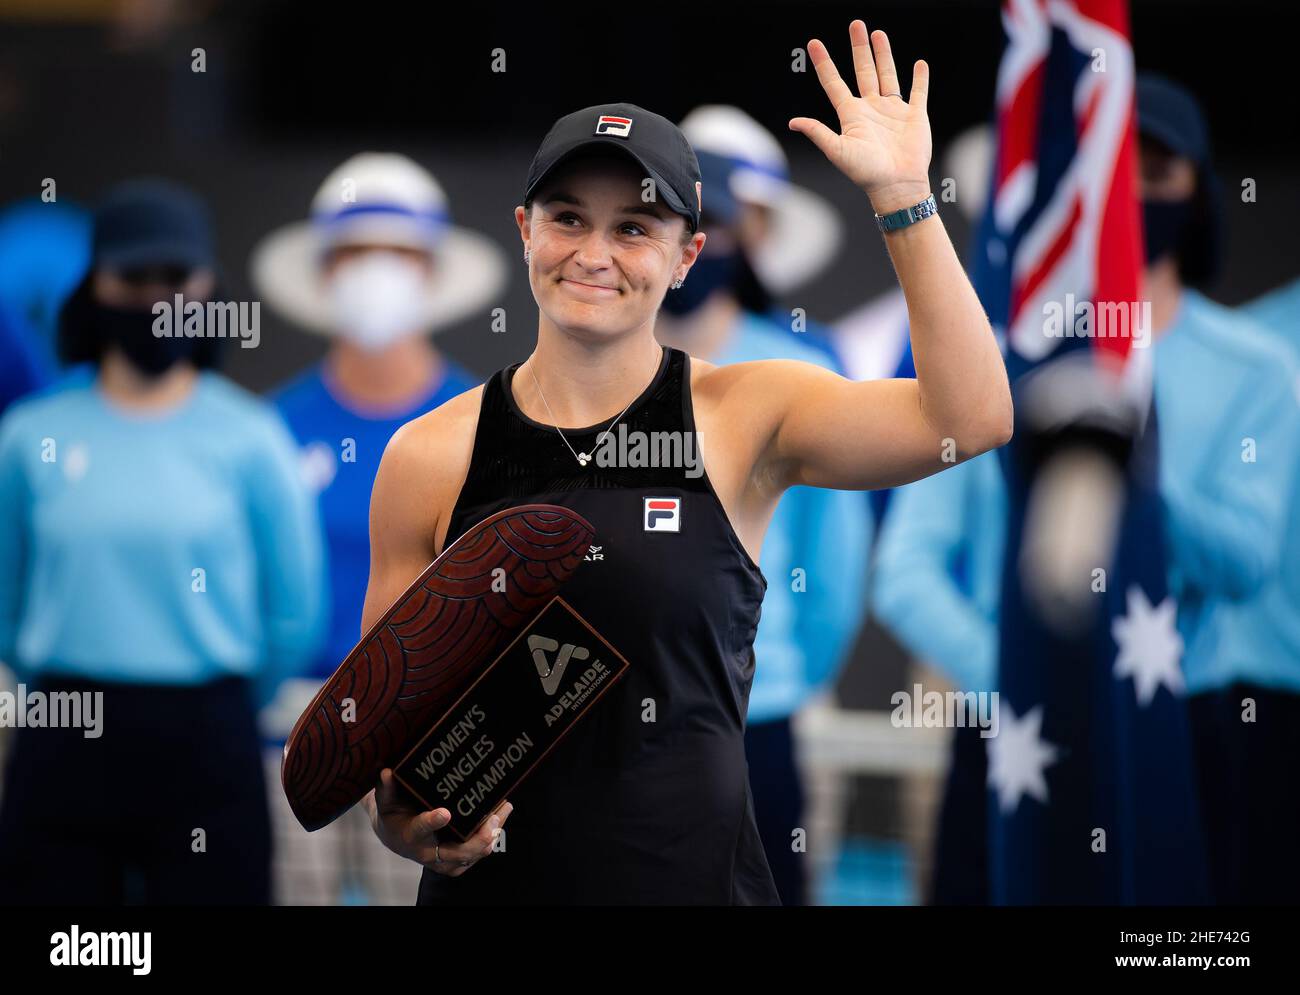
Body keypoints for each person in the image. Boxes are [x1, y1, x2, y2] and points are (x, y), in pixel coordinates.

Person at [363, 20, 1012, 905]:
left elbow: (969, 418)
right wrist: (402, 819)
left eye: (634, 227)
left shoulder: (747, 413)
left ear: (687, 256)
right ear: (523, 231)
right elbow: (387, 730)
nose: (594, 254)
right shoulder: (427, 454)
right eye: (567, 219)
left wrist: (904, 196)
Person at [871, 73, 1300, 905]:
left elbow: (1246, 562)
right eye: (1106, 163)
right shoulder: (985, 367)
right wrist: (1011, 679)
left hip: (1175, 723)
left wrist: (1128, 467)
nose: (1128, 189)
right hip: (1004, 726)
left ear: (1201, 192)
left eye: (1156, 167)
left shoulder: (1259, 371)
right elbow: (906, 567)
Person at [0, 179, 325, 904]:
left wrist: (223, 695)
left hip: (207, 734)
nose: (155, 297)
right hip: (66, 732)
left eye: (173, 277)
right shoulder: (31, 437)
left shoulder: (250, 436)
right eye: (132, 277)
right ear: (93, 287)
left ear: (208, 287)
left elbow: (293, 607)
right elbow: (7, 595)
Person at [251, 152, 503, 905]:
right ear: (324, 270)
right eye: (357, 252)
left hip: (431, 745)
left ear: (432, 269)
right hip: (287, 738)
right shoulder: (272, 429)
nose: (377, 271)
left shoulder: (481, 424)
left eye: (398, 253)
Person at [654, 148, 870, 906]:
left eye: (715, 222)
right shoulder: (595, 366)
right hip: (618, 726)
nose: (698, 239)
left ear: (746, 235)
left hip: (759, 717)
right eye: (676, 217)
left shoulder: (798, 374)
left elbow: (835, 569)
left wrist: (778, 676)